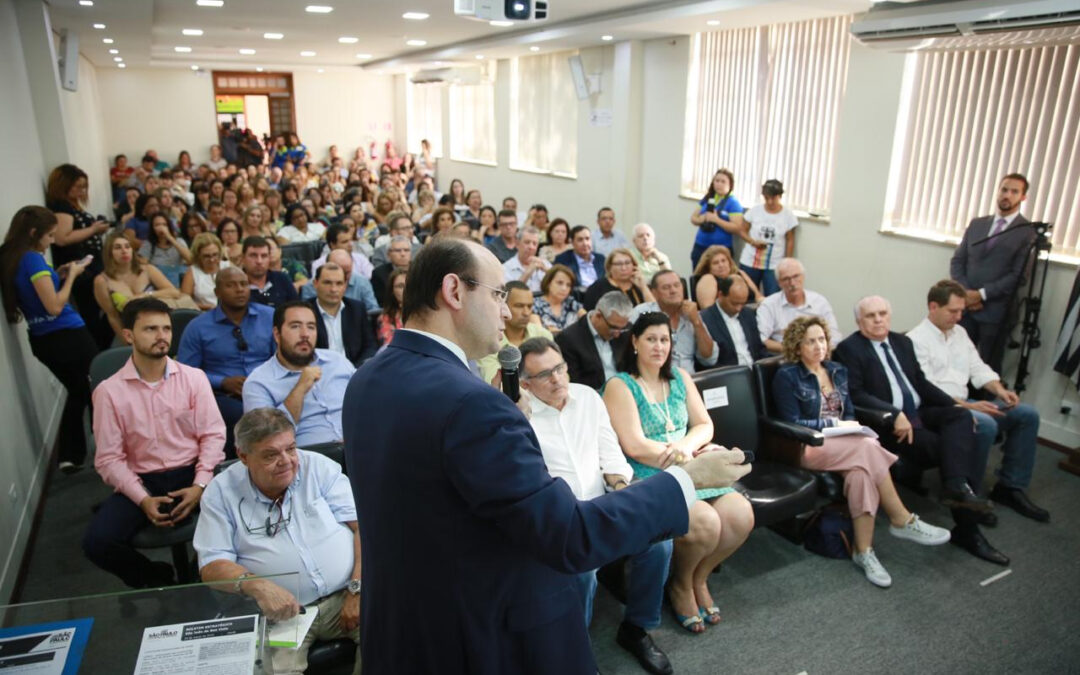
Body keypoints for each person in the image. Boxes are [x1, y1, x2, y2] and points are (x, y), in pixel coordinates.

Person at [342, 236, 746, 674]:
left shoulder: (368, 379)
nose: (507, 310)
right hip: (481, 633)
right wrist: (689, 479)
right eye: (498, 294)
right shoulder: (472, 403)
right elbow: (569, 535)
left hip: (404, 625)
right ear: (454, 291)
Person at [519, 337, 675, 675]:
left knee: (660, 542)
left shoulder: (588, 397)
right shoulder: (521, 416)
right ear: (525, 384)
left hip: (604, 502)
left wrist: (621, 488)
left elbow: (610, 456)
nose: (558, 379)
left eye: (559, 368)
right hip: (562, 520)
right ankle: (576, 648)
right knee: (582, 572)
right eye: (545, 375)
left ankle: (636, 629)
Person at [773, 317, 952, 587]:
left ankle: (863, 551)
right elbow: (793, 422)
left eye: (821, 339)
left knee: (861, 475)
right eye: (810, 341)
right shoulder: (786, 376)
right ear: (797, 346)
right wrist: (834, 424)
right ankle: (901, 518)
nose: (818, 346)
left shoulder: (836, 371)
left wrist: (850, 427)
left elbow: (852, 414)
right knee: (868, 447)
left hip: (846, 446)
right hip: (808, 446)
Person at [603, 312, 754, 632]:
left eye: (665, 340)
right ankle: (681, 585)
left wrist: (686, 448)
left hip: (691, 461)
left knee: (741, 514)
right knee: (705, 523)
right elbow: (634, 445)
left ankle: (700, 577)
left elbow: (704, 425)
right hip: (651, 472)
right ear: (634, 342)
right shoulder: (620, 384)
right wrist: (685, 458)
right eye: (651, 339)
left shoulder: (680, 378)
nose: (659, 346)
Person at [833, 296, 1006, 565]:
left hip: (920, 412)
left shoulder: (902, 342)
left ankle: (956, 486)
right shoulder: (849, 349)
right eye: (870, 316)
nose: (878, 320)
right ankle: (968, 529)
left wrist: (954, 404)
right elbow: (855, 394)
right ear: (859, 321)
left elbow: (921, 384)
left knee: (961, 417)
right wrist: (894, 414)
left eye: (883, 313)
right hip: (891, 427)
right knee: (955, 451)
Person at [194, 409, 362, 675]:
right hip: (283, 614)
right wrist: (258, 586)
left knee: (393, 644)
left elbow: (362, 529)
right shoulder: (221, 493)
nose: (287, 461)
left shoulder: (317, 466)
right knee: (274, 670)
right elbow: (212, 564)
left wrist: (357, 588)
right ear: (243, 457)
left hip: (346, 595)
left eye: (291, 449)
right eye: (271, 455)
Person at [86, 298, 226, 588]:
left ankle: (199, 574)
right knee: (97, 543)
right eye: (150, 329)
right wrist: (142, 499)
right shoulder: (108, 392)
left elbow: (212, 436)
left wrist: (200, 485)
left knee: (246, 517)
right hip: (143, 480)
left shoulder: (193, 379)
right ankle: (158, 580)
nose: (162, 336)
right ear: (128, 335)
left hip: (193, 471)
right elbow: (109, 459)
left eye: (166, 328)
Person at [907, 280, 1049, 522]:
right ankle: (968, 497)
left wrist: (999, 389)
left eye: (961, 311)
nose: (959, 317)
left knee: (1026, 415)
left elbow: (977, 367)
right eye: (953, 311)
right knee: (986, 424)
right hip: (943, 410)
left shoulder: (960, 334)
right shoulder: (915, 340)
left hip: (967, 401)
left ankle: (1010, 487)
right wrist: (969, 407)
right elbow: (927, 390)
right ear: (933, 307)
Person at [0, 206, 99, 473]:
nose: (52, 241)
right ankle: (108, 451)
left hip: (43, 341)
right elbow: (54, 306)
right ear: (34, 233)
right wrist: (73, 278)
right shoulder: (32, 260)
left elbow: (35, 292)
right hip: (67, 335)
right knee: (100, 388)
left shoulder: (11, 258)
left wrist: (59, 274)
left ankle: (70, 455)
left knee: (78, 390)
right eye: (50, 236)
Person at [177, 267, 276, 456]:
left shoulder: (270, 316)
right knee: (244, 415)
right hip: (223, 395)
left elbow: (281, 357)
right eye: (231, 285)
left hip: (268, 386)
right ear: (217, 292)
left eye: (243, 284)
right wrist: (222, 382)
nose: (239, 289)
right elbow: (186, 373)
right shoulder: (198, 327)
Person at [949, 173, 1037, 374]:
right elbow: (958, 261)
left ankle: (984, 404)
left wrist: (980, 294)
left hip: (996, 311)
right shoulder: (977, 224)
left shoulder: (1027, 232)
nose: (1007, 195)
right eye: (1004, 189)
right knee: (956, 361)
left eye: (1014, 191)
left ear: (1023, 197)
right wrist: (967, 293)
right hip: (964, 308)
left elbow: (1019, 276)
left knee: (987, 366)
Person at [243, 301, 354, 447]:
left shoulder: (337, 361)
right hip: (311, 462)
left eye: (311, 327)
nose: (305, 334)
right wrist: (300, 388)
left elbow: (368, 400)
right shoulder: (258, 383)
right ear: (277, 334)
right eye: (295, 326)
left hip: (360, 448)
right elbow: (264, 439)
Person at [45, 163, 112, 347]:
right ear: (64, 184)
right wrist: (93, 229)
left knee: (99, 310)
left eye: (84, 187)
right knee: (91, 313)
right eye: (78, 186)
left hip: (90, 266)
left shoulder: (72, 206)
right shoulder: (61, 207)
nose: (82, 191)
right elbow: (62, 238)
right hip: (81, 271)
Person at [94, 230, 193, 339]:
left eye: (127, 246)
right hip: (131, 330)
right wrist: (128, 341)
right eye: (118, 248)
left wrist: (144, 295)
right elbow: (113, 317)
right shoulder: (102, 281)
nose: (124, 251)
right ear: (109, 253)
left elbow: (174, 292)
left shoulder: (147, 269)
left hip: (160, 323)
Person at [631, 270, 718, 373]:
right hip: (655, 381)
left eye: (677, 285)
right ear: (654, 293)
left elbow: (709, 359)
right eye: (666, 287)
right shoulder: (642, 313)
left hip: (689, 382)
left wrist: (697, 322)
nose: (673, 290)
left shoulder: (692, 314)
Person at [756, 257, 841, 352]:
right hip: (785, 357)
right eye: (786, 279)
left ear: (803, 277)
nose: (792, 283)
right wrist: (796, 351)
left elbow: (834, 336)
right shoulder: (769, 305)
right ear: (779, 283)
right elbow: (762, 340)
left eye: (796, 276)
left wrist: (818, 350)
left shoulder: (819, 302)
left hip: (820, 355)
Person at [556, 291, 633, 390]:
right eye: (613, 328)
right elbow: (576, 384)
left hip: (627, 391)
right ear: (598, 316)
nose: (617, 334)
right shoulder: (568, 339)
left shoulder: (625, 330)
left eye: (622, 328)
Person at [477, 281, 552, 383]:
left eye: (529, 306)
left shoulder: (543, 334)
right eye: (519, 306)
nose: (526, 313)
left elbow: (561, 372)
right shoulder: (489, 340)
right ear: (503, 305)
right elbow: (494, 381)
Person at [307, 263, 377, 366]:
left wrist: (356, 370)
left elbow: (370, 346)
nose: (333, 289)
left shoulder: (357, 309)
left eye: (339, 283)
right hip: (318, 373)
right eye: (327, 283)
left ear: (345, 286)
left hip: (353, 371)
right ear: (315, 284)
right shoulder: (305, 311)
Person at [739, 179, 798, 296]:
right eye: (766, 198)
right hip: (751, 261)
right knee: (746, 295)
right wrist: (752, 241)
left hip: (774, 264)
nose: (770, 202)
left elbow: (790, 239)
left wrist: (787, 262)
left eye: (773, 198)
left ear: (780, 196)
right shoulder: (755, 211)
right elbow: (742, 230)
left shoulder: (788, 215)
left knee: (773, 297)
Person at [700, 275, 767, 366]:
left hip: (754, 370)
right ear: (720, 295)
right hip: (728, 375)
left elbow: (759, 349)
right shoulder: (706, 319)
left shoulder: (748, 314)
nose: (739, 308)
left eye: (742, 303)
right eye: (734, 303)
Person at [689, 168, 744, 269]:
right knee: (697, 278)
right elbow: (693, 218)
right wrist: (702, 219)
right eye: (717, 181)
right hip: (700, 246)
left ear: (730, 184)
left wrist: (716, 220)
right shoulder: (708, 198)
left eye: (723, 182)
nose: (719, 184)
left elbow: (737, 228)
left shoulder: (733, 203)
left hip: (721, 250)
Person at [582, 247, 654, 312]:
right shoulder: (598, 287)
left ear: (634, 265)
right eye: (619, 264)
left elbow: (655, 311)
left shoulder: (639, 286)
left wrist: (643, 287)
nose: (623, 268)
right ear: (609, 267)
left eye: (627, 263)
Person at [693, 244, 762, 310]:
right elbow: (708, 310)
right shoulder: (708, 279)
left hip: (751, 313)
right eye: (715, 263)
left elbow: (758, 297)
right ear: (708, 268)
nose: (721, 265)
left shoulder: (740, 273)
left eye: (723, 261)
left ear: (729, 262)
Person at [180, 233, 232, 311]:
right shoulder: (192, 272)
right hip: (204, 313)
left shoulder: (228, 267)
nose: (212, 259)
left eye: (215, 254)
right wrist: (206, 307)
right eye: (206, 256)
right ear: (198, 255)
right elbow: (184, 302)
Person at [242, 236, 298, 307]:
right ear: (243, 258)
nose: (259, 261)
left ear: (269, 258)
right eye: (253, 255)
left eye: (264, 256)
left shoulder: (282, 279)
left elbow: (296, 307)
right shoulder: (237, 285)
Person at [138, 213, 192, 284]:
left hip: (178, 279)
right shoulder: (148, 244)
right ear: (152, 228)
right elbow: (143, 264)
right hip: (159, 281)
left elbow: (190, 259)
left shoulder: (179, 241)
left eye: (164, 224)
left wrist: (170, 238)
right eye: (157, 225)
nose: (161, 228)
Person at [533, 264, 585, 334]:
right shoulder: (535, 304)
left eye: (568, 285)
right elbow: (538, 332)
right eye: (560, 283)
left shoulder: (571, 302)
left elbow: (588, 321)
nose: (564, 288)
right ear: (548, 283)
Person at [555, 226, 605, 293]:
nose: (585, 243)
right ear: (572, 243)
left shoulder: (601, 259)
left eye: (587, 239)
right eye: (580, 240)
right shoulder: (563, 260)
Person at [502, 225, 551, 294]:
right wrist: (528, 272)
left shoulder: (545, 264)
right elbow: (509, 294)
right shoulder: (506, 268)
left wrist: (546, 270)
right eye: (527, 242)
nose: (531, 247)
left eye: (534, 243)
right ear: (517, 244)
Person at [371, 236, 411, 306]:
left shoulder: (420, 270)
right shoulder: (379, 273)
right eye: (398, 250)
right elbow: (382, 302)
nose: (403, 254)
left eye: (406, 250)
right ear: (388, 255)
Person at [377, 268, 406, 345]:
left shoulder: (425, 314)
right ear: (392, 291)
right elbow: (389, 346)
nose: (406, 289)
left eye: (410, 285)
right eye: (401, 286)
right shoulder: (386, 318)